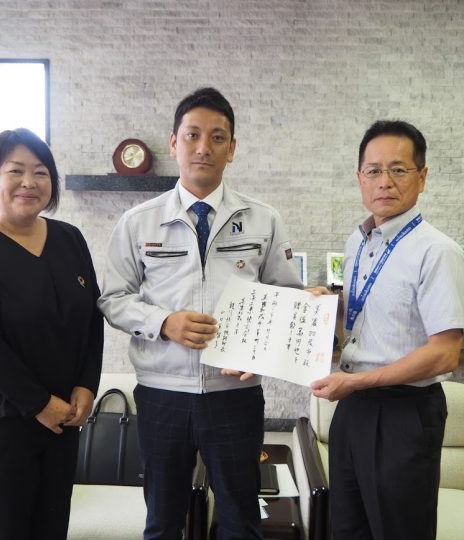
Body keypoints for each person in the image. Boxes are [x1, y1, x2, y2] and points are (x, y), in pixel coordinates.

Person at [98, 87, 302, 539]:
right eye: (192, 135)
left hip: (235, 395)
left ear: (233, 148)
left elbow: (285, 296)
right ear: (174, 143)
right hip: (161, 393)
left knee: (240, 520)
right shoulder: (138, 222)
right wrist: (163, 322)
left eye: (217, 137)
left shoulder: (263, 219)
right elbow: (113, 299)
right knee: (163, 521)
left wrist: (263, 351)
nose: (203, 147)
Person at [309, 120, 464, 539]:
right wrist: (324, 304)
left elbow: (445, 353)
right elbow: (367, 315)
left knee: (399, 530)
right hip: (353, 408)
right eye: (374, 170)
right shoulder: (358, 242)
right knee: (348, 527)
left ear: (423, 177)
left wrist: (357, 382)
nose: (385, 181)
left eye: (398, 169)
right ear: (359, 178)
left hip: (404, 413)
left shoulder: (438, 252)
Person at [0, 128, 103, 540]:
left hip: (63, 420)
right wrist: (39, 404)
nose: (29, 182)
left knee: (51, 529)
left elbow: (91, 317)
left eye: (40, 172)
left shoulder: (69, 238)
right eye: (15, 171)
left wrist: (87, 385)